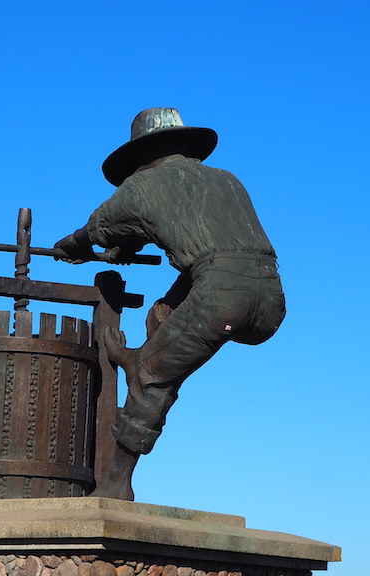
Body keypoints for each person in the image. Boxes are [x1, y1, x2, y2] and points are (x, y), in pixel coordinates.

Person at [54, 108, 286, 500]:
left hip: (220, 296)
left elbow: (100, 225)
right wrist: (124, 246)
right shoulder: (227, 180)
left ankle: (116, 485)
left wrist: (72, 245)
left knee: (150, 375)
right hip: (270, 298)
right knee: (162, 315)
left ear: (140, 156)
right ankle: (142, 353)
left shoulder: (142, 186)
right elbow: (173, 225)